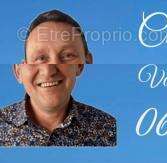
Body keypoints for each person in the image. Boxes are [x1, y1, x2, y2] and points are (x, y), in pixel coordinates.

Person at [2, 10, 116, 146]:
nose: (50, 71)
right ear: (19, 71)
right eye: (40, 58)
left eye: (67, 56)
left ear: (81, 65)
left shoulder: (109, 129)